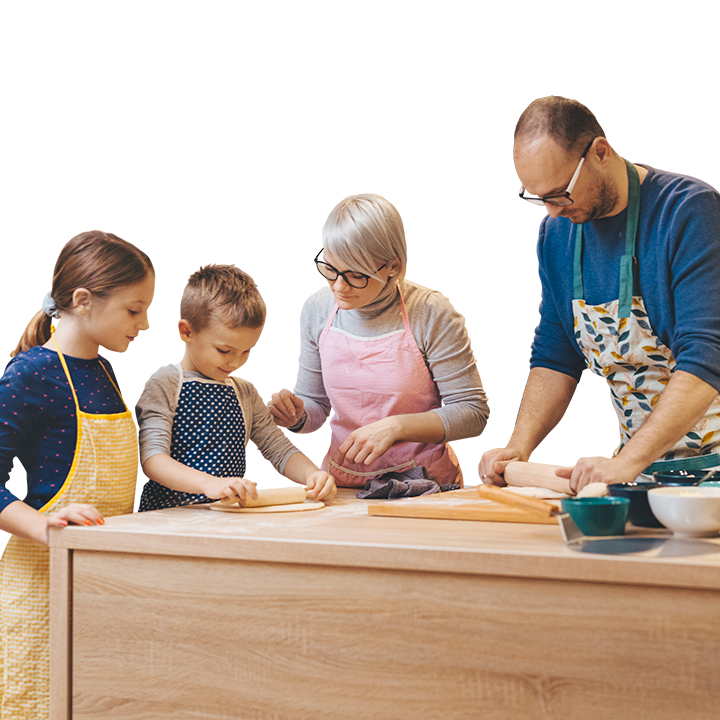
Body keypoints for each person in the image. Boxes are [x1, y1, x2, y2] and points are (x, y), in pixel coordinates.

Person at [479, 97, 720, 493]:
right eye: (538, 198)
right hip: (641, 474)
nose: (552, 211)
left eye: (560, 193)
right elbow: (556, 352)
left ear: (601, 152)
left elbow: (707, 354)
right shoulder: (557, 234)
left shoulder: (688, 213)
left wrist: (626, 461)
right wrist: (519, 445)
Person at [0, 230, 154, 719]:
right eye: (134, 310)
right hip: (42, 584)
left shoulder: (108, 373)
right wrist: (47, 526)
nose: (143, 325)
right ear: (83, 300)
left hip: (104, 582)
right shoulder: (29, 375)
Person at [269, 193, 487, 489]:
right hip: (343, 484)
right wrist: (296, 416)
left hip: (423, 486)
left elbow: (470, 412)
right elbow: (316, 409)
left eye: (356, 275)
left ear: (392, 267)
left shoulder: (431, 313)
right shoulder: (317, 310)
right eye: (330, 269)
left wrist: (397, 428)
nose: (339, 286)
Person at [135, 264, 336, 512]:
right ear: (186, 332)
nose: (235, 362)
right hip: (166, 517)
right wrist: (209, 484)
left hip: (225, 517)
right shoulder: (166, 384)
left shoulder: (244, 393)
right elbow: (152, 459)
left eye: (246, 351)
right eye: (224, 350)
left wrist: (312, 474)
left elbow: (280, 449)